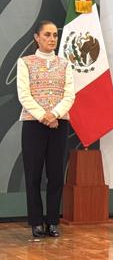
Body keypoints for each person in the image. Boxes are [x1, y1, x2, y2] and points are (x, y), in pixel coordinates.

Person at [17, 20, 74, 238]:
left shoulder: (65, 64)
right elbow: (24, 95)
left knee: (56, 174)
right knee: (33, 174)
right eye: (47, 35)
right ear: (37, 37)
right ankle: (36, 222)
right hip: (33, 124)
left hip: (59, 124)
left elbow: (70, 95)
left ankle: (52, 222)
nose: (52, 39)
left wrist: (55, 115)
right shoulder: (25, 63)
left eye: (54, 35)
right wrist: (44, 116)